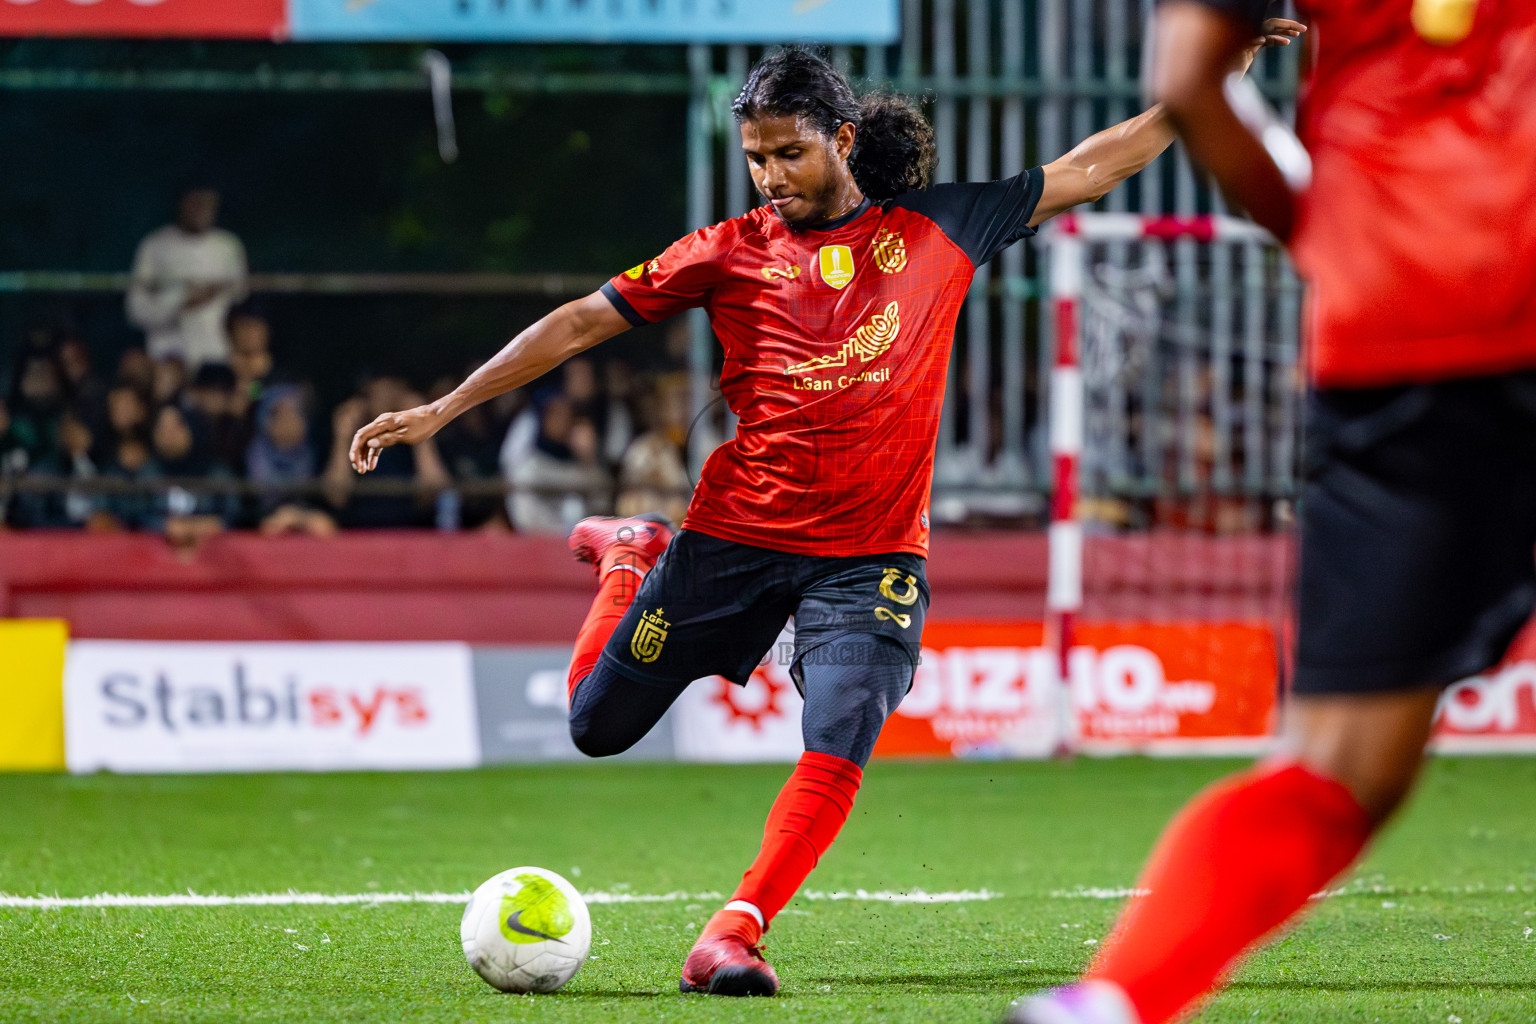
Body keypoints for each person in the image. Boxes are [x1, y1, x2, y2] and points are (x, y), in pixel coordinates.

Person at [347, 44, 1281, 997]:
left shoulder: (942, 226)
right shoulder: (726, 250)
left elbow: (1098, 162)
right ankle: (630, 557)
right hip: (733, 542)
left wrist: (1209, 82)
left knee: (841, 728)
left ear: (840, 139)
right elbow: (582, 322)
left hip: (869, 555)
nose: (771, 175)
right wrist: (443, 410)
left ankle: (732, 934)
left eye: (788, 153)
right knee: (595, 727)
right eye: (756, 157)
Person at [1007, 3, 1535, 1023]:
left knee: (1334, 766)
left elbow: (1191, 71)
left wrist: (1334, 229)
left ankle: (1115, 1002)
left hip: (1401, 322)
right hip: (1440, 321)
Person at [126, 187, 249, 370]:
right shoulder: (154, 245)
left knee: (251, 388)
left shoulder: (228, 246)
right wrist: (179, 305)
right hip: (166, 355)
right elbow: (135, 309)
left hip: (216, 356)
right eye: (195, 202)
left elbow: (241, 300)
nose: (201, 209)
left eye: (207, 203)